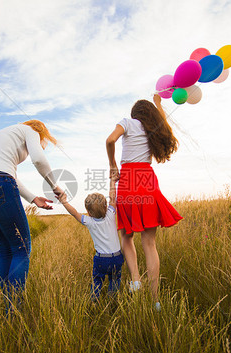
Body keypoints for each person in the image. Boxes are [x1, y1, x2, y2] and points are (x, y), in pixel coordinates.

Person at [0, 120, 63, 304]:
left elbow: (4, 173)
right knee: (21, 249)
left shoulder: (5, 133)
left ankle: (7, 304)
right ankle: (14, 312)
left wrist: (33, 198)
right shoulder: (32, 130)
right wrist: (54, 186)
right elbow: (38, 159)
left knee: (5, 248)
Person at [106, 94, 182, 310]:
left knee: (126, 236)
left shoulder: (127, 123)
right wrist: (159, 104)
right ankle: (155, 300)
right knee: (150, 244)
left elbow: (110, 140)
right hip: (147, 179)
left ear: (135, 114)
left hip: (129, 179)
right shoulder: (154, 128)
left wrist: (112, 164)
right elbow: (164, 122)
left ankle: (136, 280)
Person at [57, 176, 124, 300]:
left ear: (88, 212)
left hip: (101, 259)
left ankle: (94, 300)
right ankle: (112, 300)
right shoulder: (110, 214)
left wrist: (64, 202)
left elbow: (74, 213)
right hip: (117, 257)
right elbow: (113, 197)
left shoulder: (89, 221)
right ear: (105, 206)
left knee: (97, 280)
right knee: (115, 280)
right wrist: (112, 181)